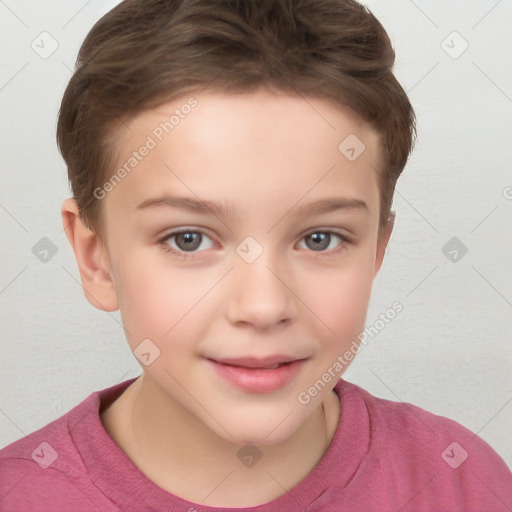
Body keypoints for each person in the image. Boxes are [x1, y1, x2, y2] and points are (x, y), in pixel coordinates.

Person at [1, 0, 511, 510]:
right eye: (189, 239)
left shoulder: (461, 482)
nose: (264, 306)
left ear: (377, 248)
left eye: (320, 238)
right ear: (97, 259)